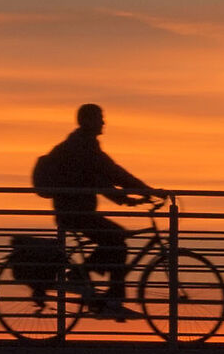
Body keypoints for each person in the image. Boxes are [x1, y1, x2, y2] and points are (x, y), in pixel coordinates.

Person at [33, 103, 156, 320]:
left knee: (116, 240)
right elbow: (112, 172)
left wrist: (126, 199)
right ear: (88, 121)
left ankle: (102, 292)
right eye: (100, 118)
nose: (103, 122)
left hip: (73, 211)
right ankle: (107, 296)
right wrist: (147, 191)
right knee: (117, 239)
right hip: (75, 213)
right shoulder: (83, 146)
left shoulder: (80, 145)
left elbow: (99, 179)